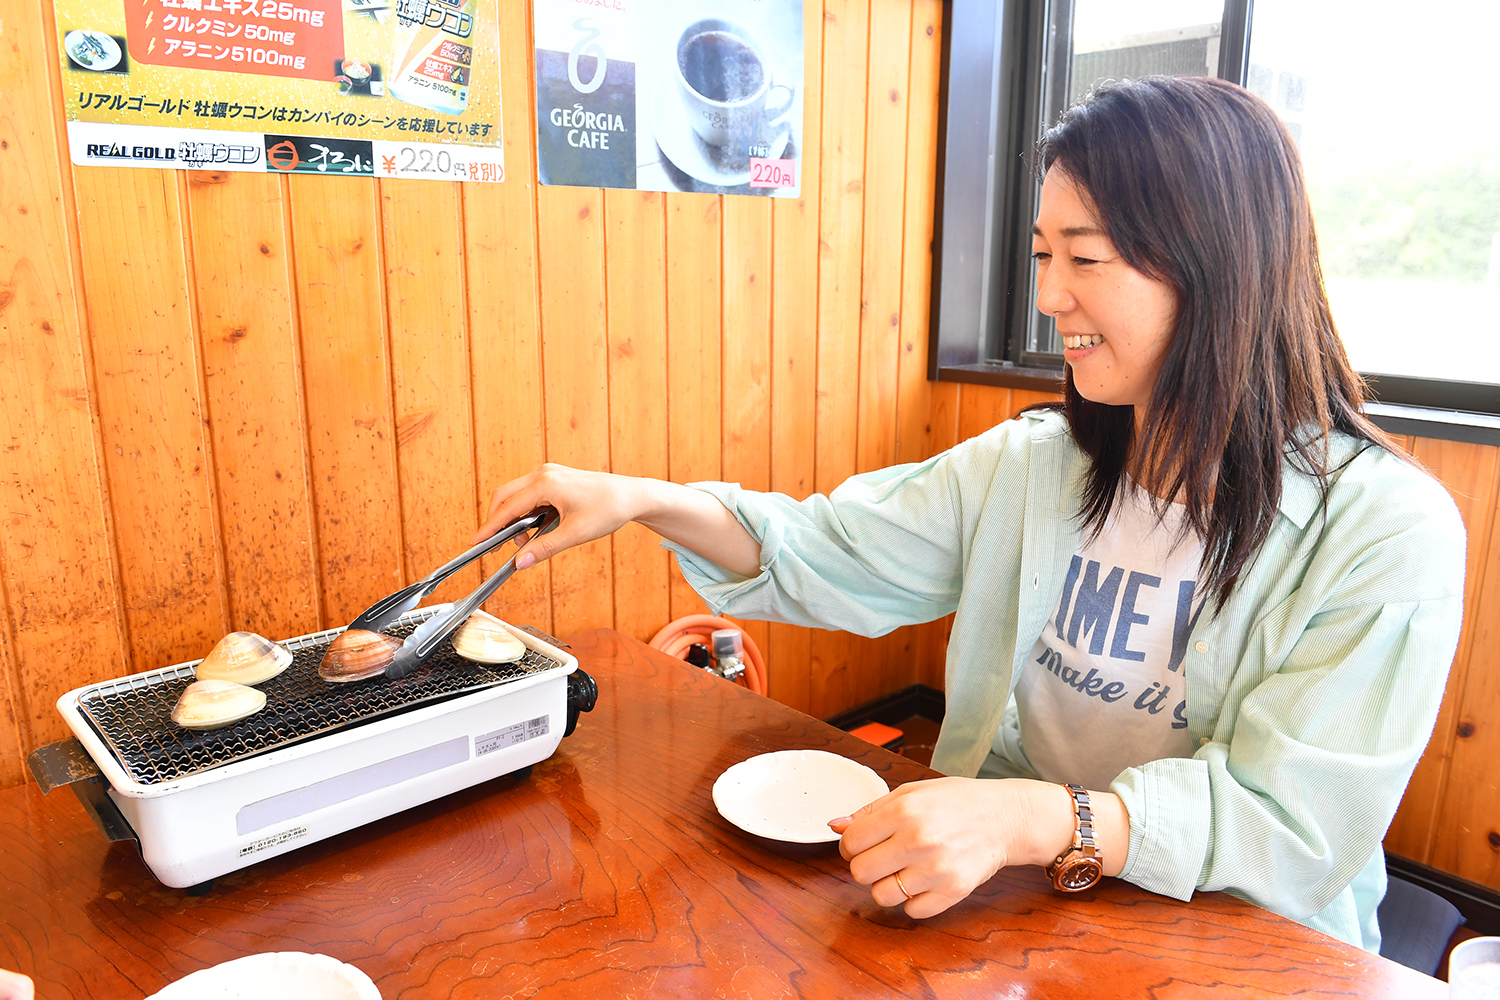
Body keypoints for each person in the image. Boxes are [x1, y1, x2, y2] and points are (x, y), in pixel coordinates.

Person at [472, 76, 1464, 953]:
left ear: (1216, 265)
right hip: (1021, 912)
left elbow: (1292, 827)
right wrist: (641, 498)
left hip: (1245, 944)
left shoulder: (1385, 533)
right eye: (1040, 255)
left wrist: (1036, 820)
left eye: (1085, 257)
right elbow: (827, 549)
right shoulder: (1035, 465)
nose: (1047, 296)